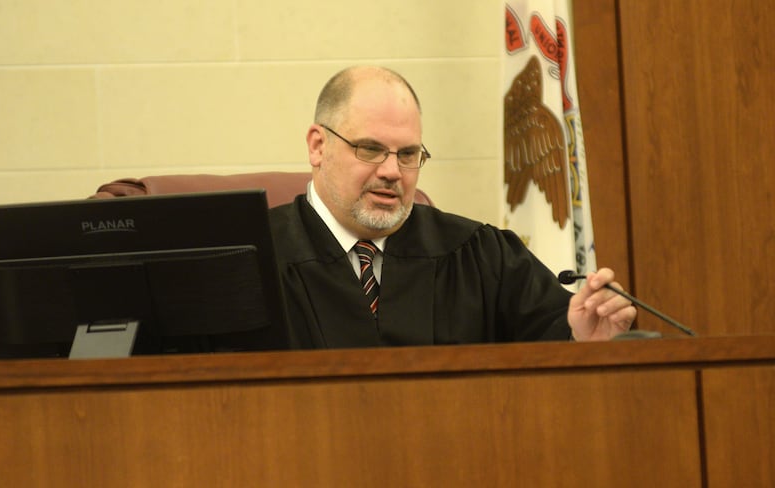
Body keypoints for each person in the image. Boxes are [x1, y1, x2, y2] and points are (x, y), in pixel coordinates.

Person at [269, 65, 636, 348]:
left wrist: (585, 342)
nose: (392, 171)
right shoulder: (257, 259)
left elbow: (555, 332)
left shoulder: (479, 255)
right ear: (318, 146)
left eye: (409, 154)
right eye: (371, 149)